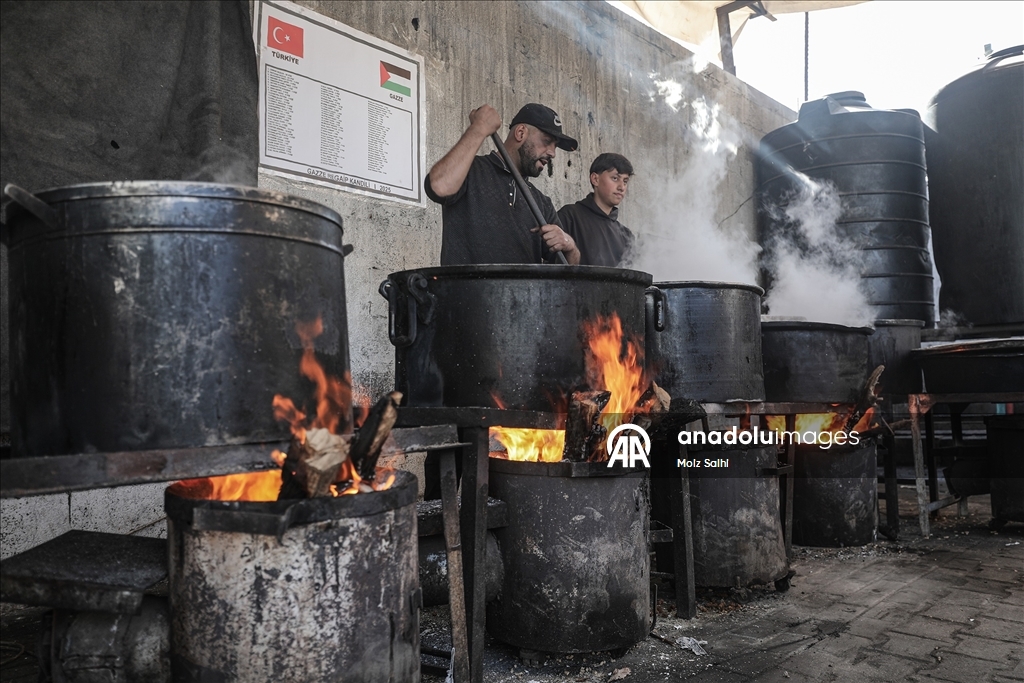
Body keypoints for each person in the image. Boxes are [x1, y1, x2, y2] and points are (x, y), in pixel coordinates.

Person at [425, 103, 581, 265]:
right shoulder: (470, 172)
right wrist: (479, 128)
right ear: (520, 133)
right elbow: (438, 187)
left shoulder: (542, 203)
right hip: (464, 290)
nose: (552, 153)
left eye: (555, 146)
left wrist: (570, 246)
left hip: (525, 292)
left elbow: (567, 274)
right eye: (547, 141)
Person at [557, 153, 635, 267]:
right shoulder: (570, 217)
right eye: (615, 178)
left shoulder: (626, 235)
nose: (621, 187)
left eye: (625, 181)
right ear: (595, 179)